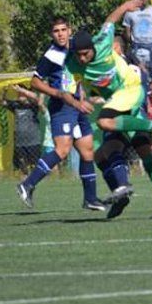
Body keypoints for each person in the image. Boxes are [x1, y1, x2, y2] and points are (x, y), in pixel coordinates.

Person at [65, 0, 152, 220]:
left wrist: (127, 6)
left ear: (93, 48)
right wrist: (77, 100)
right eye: (78, 55)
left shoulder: (102, 42)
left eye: (85, 53)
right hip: (118, 104)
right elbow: (69, 88)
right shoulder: (73, 64)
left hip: (130, 89)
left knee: (104, 122)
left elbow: (110, 20)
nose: (82, 58)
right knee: (105, 153)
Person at [16, 16, 104, 211]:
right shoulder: (52, 55)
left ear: (69, 30)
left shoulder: (76, 47)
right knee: (63, 150)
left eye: (63, 30)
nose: (60, 34)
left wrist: (83, 94)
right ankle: (27, 184)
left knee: (87, 150)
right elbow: (35, 82)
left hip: (77, 105)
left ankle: (90, 198)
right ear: (51, 34)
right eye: (56, 31)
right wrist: (58, 93)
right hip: (62, 107)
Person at [1, 85, 44, 174]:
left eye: (21, 93)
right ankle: (23, 181)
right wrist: (4, 91)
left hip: (33, 142)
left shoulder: (33, 104)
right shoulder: (16, 104)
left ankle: (34, 180)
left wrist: (22, 90)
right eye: (18, 93)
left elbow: (36, 98)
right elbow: (2, 102)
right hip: (19, 143)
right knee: (22, 168)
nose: (19, 95)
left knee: (34, 167)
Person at [123, 0, 152, 76]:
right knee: (137, 75)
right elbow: (127, 31)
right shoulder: (130, 12)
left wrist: (151, 41)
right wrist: (134, 42)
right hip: (137, 49)